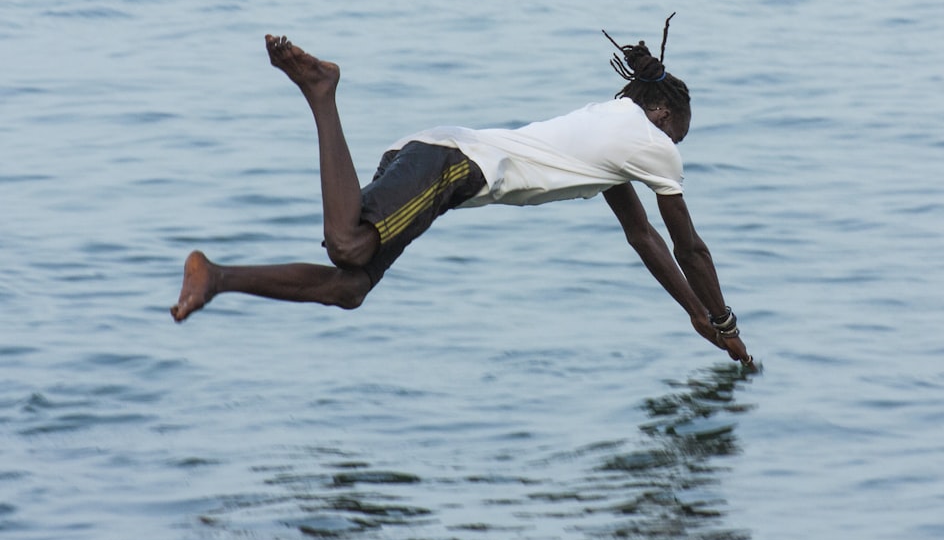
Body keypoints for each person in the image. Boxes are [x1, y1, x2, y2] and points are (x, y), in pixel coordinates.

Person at [171, 22, 754, 366]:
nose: (676, 147)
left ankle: (216, 277)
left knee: (348, 288)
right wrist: (724, 320)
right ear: (662, 113)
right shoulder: (649, 141)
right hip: (451, 165)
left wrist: (696, 317)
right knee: (348, 248)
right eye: (679, 133)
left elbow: (641, 235)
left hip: (433, 159)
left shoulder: (609, 127)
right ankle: (321, 91)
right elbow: (689, 248)